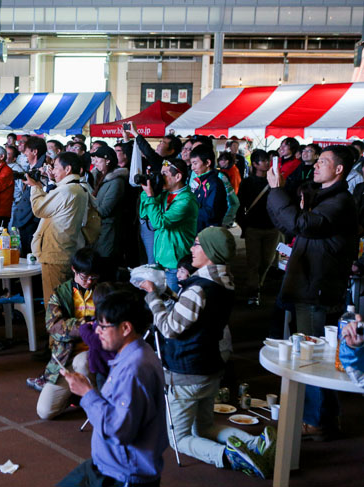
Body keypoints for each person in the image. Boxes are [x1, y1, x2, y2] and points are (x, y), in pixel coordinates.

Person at [140, 227, 275, 479]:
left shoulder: (198, 288)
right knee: (204, 427)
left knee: (179, 439)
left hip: (186, 370)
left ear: (210, 251)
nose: (192, 248)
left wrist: (151, 297)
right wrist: (169, 294)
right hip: (211, 366)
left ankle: (229, 456)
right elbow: (194, 312)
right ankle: (255, 443)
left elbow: (169, 328)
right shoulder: (225, 281)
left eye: (197, 244)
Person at [267, 145, 358, 441]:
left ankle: (317, 420)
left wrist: (278, 190)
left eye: (322, 162)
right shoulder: (329, 198)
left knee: (314, 356)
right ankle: (323, 416)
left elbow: (300, 224)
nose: (315, 166)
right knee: (316, 352)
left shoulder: (340, 201)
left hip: (316, 288)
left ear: (340, 169)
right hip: (312, 283)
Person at [58, 286, 167, 487]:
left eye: (103, 326)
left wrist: (87, 393)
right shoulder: (136, 353)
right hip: (109, 464)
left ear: (125, 328)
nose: (97, 331)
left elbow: (118, 430)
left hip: (123, 474)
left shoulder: (134, 370)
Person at [27, 247, 101, 420]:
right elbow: (53, 326)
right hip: (64, 360)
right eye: (84, 277)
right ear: (74, 270)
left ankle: (98, 405)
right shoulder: (61, 293)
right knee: (45, 411)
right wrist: (85, 325)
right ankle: (74, 395)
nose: (89, 282)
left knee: (83, 362)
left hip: (95, 355)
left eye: (93, 277)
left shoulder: (103, 291)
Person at [25, 151, 90, 307]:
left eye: (55, 167)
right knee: (65, 301)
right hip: (66, 251)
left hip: (55, 253)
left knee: (54, 306)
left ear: (67, 169)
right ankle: (64, 330)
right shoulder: (79, 189)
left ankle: (57, 331)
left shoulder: (66, 190)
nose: (52, 171)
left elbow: (39, 209)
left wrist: (35, 187)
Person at [139, 158, 198, 293]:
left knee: (173, 303)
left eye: (164, 174)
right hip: (162, 261)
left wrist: (150, 196)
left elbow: (159, 222)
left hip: (175, 264)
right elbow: (144, 214)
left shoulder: (186, 200)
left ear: (178, 176)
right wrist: (148, 190)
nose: (161, 177)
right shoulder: (165, 194)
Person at [236, 149, 279, 306]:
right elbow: (240, 205)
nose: (267, 163)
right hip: (253, 227)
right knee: (253, 262)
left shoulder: (274, 181)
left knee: (267, 261)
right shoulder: (247, 182)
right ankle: (253, 291)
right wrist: (244, 225)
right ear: (254, 164)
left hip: (272, 227)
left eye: (268, 160)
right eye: (264, 161)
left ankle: (258, 285)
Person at [89, 146, 126, 282]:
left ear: (108, 161)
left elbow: (105, 210)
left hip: (108, 231)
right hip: (96, 230)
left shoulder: (117, 181)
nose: (95, 162)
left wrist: (88, 205)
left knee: (106, 268)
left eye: (98, 160)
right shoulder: (96, 177)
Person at [9, 136, 47, 255]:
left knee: (30, 254)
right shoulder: (33, 168)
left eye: (26, 152)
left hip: (32, 219)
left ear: (34, 151)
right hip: (26, 218)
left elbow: (43, 191)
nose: (25, 155)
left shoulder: (43, 170)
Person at [190, 145, 228, 232]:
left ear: (207, 163)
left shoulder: (214, 184)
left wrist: (188, 210)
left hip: (207, 234)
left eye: (195, 163)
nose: (192, 168)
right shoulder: (201, 182)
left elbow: (211, 213)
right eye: (192, 164)